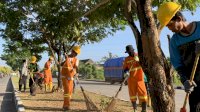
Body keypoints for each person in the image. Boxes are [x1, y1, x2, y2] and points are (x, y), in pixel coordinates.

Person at [157, 2, 200, 111]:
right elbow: (178, 64)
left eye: (170, 25)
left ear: (179, 18)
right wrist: (185, 80)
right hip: (195, 86)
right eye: (167, 26)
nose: (169, 29)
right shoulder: (174, 41)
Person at [123, 45, 148, 112]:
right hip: (131, 80)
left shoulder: (139, 56)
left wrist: (139, 61)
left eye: (129, 51)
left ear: (132, 50)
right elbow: (125, 68)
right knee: (132, 95)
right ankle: (135, 109)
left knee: (143, 94)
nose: (129, 53)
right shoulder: (127, 59)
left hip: (140, 79)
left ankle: (144, 110)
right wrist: (126, 72)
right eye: (128, 52)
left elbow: (145, 64)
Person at [61, 46, 80, 110]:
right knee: (67, 90)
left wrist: (77, 73)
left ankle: (66, 105)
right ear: (72, 51)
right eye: (75, 52)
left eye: (77, 53)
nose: (76, 54)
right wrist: (66, 58)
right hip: (64, 76)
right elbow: (61, 64)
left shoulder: (76, 60)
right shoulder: (66, 57)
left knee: (70, 91)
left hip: (71, 77)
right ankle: (66, 106)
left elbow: (76, 67)